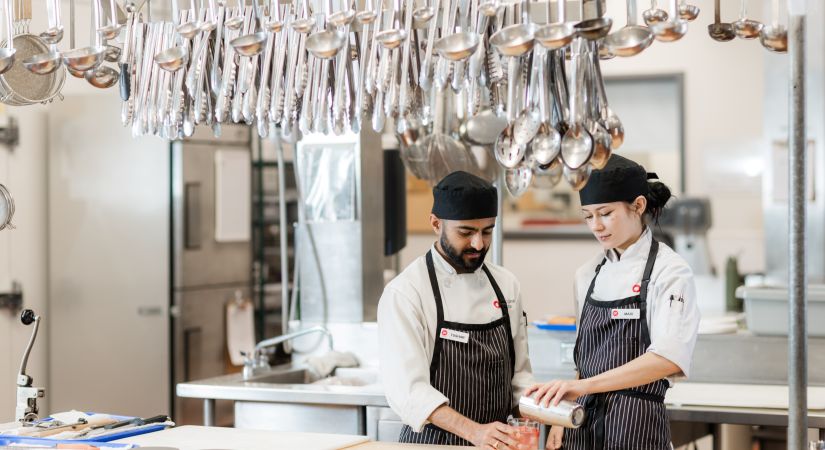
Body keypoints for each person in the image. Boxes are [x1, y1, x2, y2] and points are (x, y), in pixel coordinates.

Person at [526, 155, 700, 450]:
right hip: (581, 426)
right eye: (588, 216)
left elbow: (667, 358)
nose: (596, 226)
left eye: (605, 213)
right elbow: (585, 360)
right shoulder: (587, 275)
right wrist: (560, 416)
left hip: (637, 428)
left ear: (639, 205)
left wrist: (581, 387)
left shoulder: (670, 271)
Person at [378, 171, 534, 449]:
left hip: (497, 443)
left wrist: (544, 418)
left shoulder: (506, 285)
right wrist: (475, 433)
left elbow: (520, 376)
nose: (478, 244)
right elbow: (408, 392)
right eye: (466, 232)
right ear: (436, 223)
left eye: (487, 231)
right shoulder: (407, 292)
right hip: (433, 443)